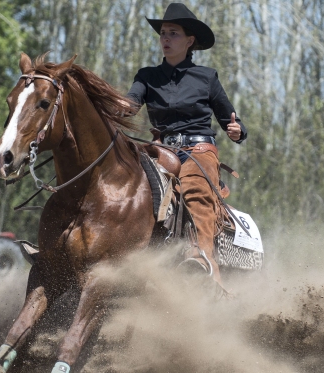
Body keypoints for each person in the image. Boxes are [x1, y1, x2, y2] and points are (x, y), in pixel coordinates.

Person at [125, 3, 247, 290]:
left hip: (199, 151)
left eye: (173, 33)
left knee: (194, 188)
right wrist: (118, 107)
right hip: (158, 151)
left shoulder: (207, 78)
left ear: (189, 41)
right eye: (163, 33)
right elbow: (130, 104)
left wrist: (237, 130)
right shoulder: (146, 77)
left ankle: (204, 262)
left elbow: (231, 118)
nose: (166, 38)